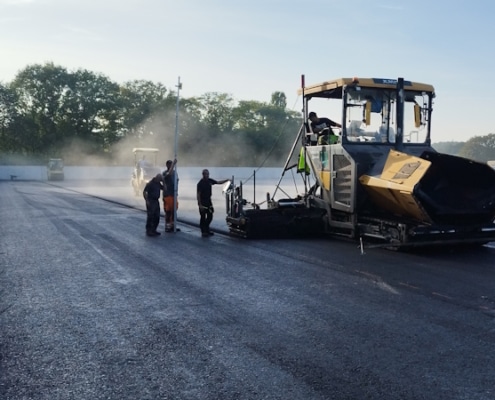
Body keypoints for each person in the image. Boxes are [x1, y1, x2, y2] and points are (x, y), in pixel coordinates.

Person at [196, 169, 229, 237]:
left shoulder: (210, 181)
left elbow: (218, 182)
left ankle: (207, 228)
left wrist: (226, 180)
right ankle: (203, 231)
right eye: (206, 174)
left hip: (208, 201)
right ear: (203, 175)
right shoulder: (200, 184)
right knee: (203, 217)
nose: (207, 175)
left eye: (208, 174)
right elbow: (198, 194)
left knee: (210, 216)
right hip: (203, 202)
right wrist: (200, 205)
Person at [162, 159, 179, 233]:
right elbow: (169, 174)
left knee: (174, 210)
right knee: (168, 211)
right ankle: (167, 226)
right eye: (169, 164)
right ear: (167, 165)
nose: (171, 166)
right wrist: (174, 164)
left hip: (173, 194)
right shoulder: (164, 173)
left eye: (171, 164)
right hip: (167, 194)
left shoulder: (175, 173)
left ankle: (172, 225)